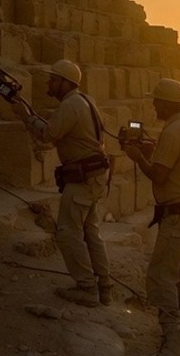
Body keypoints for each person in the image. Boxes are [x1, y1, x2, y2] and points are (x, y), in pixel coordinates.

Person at [12, 59, 114, 308]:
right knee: (90, 232)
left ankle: (87, 288)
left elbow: (47, 136)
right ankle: (104, 286)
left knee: (67, 233)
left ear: (64, 83)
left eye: (53, 79)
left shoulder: (71, 105)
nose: (48, 83)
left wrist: (25, 116)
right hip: (93, 176)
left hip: (83, 178)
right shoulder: (84, 100)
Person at [122, 78, 180, 356]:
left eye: (157, 101)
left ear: (169, 104)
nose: (154, 105)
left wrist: (137, 157)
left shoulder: (173, 131)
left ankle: (172, 347)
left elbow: (158, 176)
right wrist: (149, 152)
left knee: (161, 276)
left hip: (178, 214)